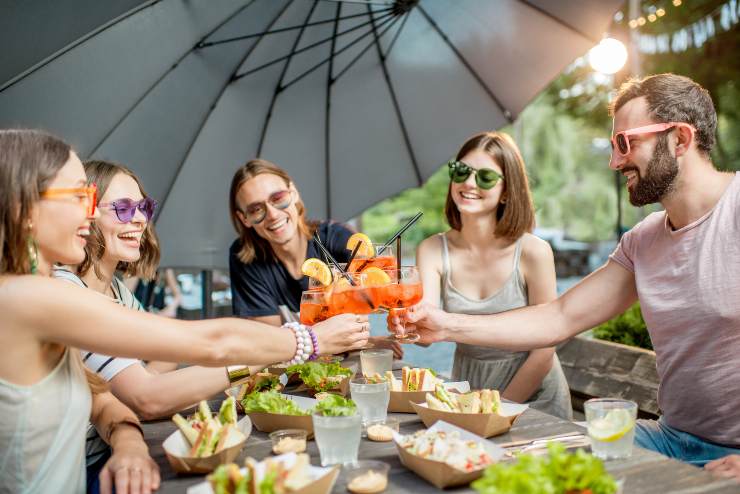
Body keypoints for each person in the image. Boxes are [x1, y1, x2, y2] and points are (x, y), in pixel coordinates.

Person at [391, 73, 740, 468]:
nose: (614, 161)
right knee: (521, 467)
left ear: (679, 139)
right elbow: (560, 316)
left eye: (626, 143)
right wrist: (446, 325)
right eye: (613, 145)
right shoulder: (643, 241)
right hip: (670, 438)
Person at [0, 129, 369, 493]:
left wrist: (127, 435)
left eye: (93, 197)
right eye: (80, 196)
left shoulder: (48, 293)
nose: (90, 211)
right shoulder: (31, 297)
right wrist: (309, 340)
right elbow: (208, 345)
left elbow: (106, 392)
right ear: (24, 208)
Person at [414, 131, 571, 419]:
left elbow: (544, 349)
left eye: (485, 177)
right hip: (470, 389)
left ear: (508, 191)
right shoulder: (432, 250)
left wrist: (498, 411)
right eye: (461, 171)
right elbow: (425, 335)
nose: (468, 183)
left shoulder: (533, 252)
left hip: (534, 395)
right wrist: (402, 317)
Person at [228, 158, 402, 357]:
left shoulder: (334, 237)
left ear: (293, 193)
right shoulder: (245, 259)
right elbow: (269, 344)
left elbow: (376, 285)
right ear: (244, 219)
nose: (273, 215)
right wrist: (367, 343)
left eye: (278, 198)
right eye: (256, 209)